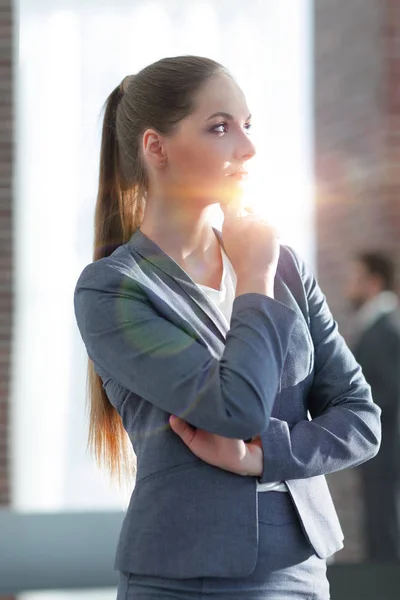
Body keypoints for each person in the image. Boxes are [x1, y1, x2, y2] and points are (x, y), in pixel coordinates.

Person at [74, 56, 381, 599]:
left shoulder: (284, 265)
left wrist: (267, 454)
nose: (247, 147)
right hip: (188, 578)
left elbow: (362, 419)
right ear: (156, 148)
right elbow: (233, 409)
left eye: (247, 125)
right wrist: (255, 276)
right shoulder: (113, 289)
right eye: (220, 127)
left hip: (304, 571)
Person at [346, 251, 400, 562]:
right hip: (380, 457)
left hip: (386, 457)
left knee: (384, 542)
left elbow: (391, 391)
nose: (348, 287)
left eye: (356, 279)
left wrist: (353, 413)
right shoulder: (377, 328)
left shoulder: (384, 330)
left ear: (374, 283)